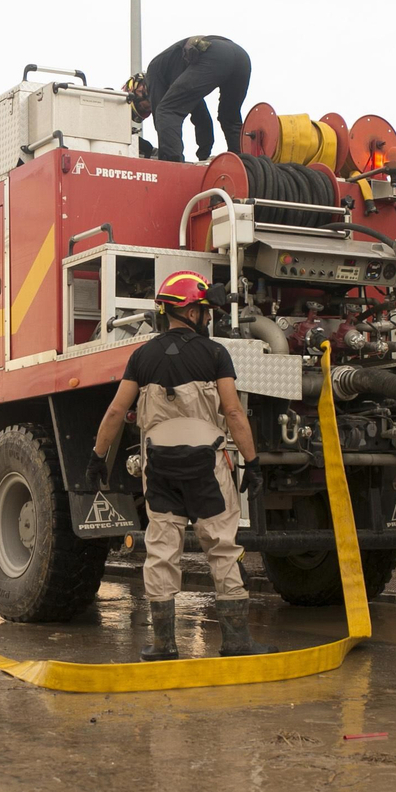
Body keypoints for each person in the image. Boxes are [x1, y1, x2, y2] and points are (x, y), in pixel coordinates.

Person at [86, 270, 271, 660]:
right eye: (204, 310)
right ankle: (236, 641)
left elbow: (117, 410)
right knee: (221, 546)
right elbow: (234, 413)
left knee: (162, 549)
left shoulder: (141, 356)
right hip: (208, 466)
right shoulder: (216, 353)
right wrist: (252, 463)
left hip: (161, 469)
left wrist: (97, 457)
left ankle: (164, 644)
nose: (207, 317)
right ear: (190, 310)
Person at [123, 36, 251, 164]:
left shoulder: (154, 72)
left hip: (215, 54)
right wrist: (203, 158)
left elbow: (161, 117)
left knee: (166, 110)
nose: (149, 106)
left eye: (143, 107)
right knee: (230, 118)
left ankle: (172, 166)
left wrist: (167, 160)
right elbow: (202, 119)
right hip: (241, 58)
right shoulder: (179, 85)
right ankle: (242, 163)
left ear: (137, 88)